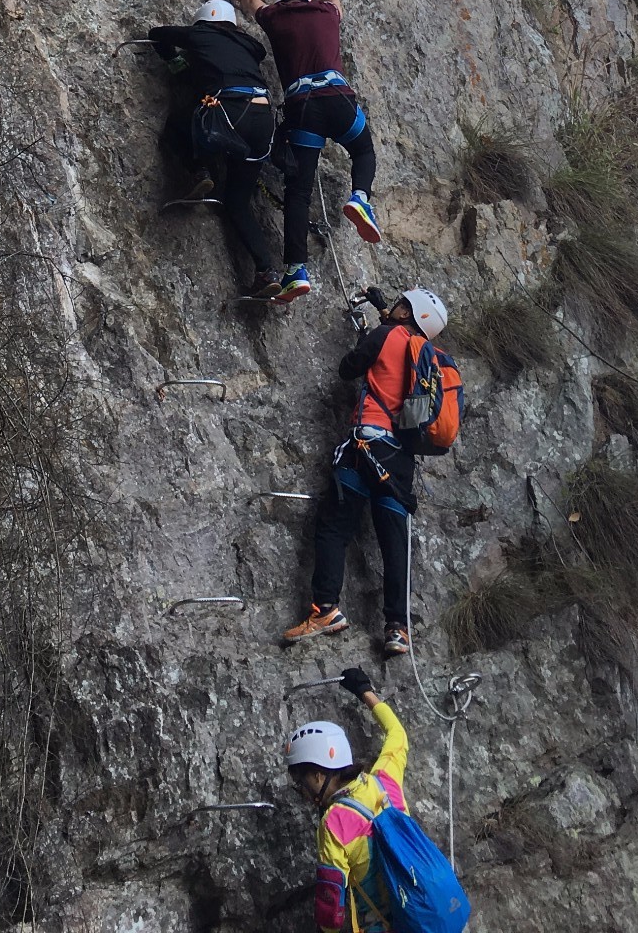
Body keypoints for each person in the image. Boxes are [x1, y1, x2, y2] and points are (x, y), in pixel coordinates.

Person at [282, 288, 448, 655]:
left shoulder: (387, 335)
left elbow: (348, 368)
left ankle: (326, 610)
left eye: (402, 305)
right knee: (394, 544)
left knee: (334, 527)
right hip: (399, 459)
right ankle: (397, 628)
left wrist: (369, 336)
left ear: (409, 315)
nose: (396, 307)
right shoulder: (429, 357)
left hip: (364, 446)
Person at [227, 0, 380, 304]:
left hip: (303, 108)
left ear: (282, 1)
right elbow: (335, 1)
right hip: (337, 98)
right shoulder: (326, 13)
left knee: (299, 192)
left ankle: (296, 271)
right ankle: (361, 198)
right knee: (363, 150)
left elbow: (254, 3)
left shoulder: (275, 17)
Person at [147, 0, 284, 300]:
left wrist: (175, 61)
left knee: (181, 125)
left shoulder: (200, 35)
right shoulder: (249, 45)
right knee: (237, 202)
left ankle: (200, 170)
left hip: (231, 109)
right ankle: (266, 270)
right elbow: (258, 50)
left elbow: (158, 32)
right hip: (262, 120)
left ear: (203, 21)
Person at [285, 669, 410, 933]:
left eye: (301, 782)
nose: (302, 792)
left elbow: (331, 911)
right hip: (422, 915)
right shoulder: (385, 780)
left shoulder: (333, 824)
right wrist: (364, 691)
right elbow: (397, 734)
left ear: (318, 775)